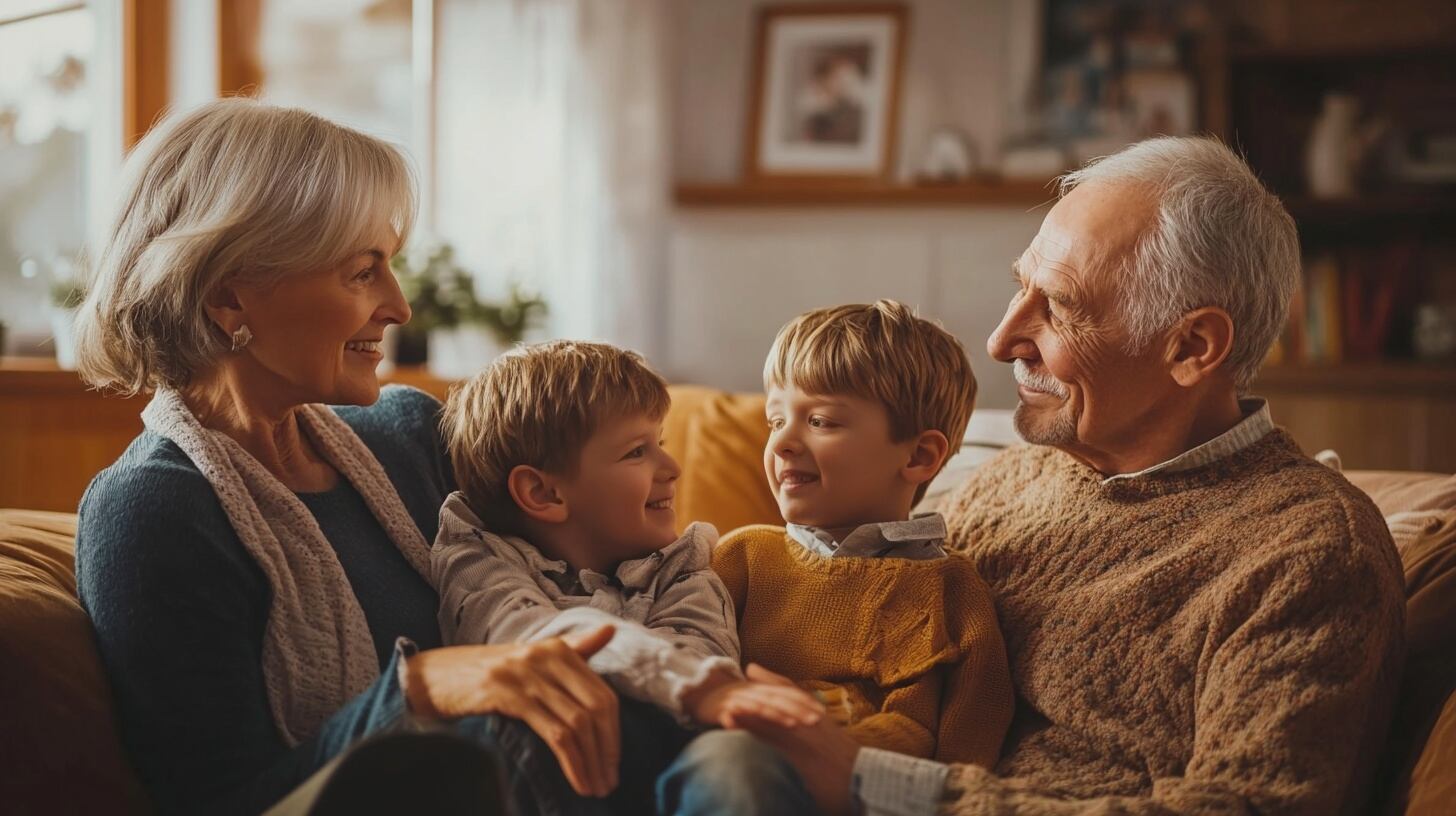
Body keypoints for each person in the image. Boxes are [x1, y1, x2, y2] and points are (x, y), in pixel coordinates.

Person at [729, 137, 1405, 816]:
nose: (1001, 341)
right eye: (1020, 287)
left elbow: (1247, 807)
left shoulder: (1309, 553)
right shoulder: (1006, 483)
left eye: (1058, 307)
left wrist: (873, 781)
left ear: (1192, 347)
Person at [72, 98, 621, 815]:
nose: (399, 305)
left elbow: (590, 568)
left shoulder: (410, 434)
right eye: (363, 272)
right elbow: (222, 801)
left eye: (389, 267)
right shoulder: (152, 514)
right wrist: (420, 689)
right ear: (228, 296)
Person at [432, 339, 825, 813]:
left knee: (738, 758)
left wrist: (704, 687)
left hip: (670, 758)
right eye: (638, 451)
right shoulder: (478, 555)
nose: (673, 468)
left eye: (660, 443)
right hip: (552, 763)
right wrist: (700, 686)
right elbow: (532, 642)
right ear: (542, 491)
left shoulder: (684, 566)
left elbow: (699, 657)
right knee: (489, 740)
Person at [661, 301, 1013, 802]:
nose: (782, 442)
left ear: (918, 456)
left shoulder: (951, 588)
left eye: (821, 421)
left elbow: (967, 757)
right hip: (724, 764)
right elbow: (676, 660)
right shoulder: (741, 556)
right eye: (774, 420)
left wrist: (838, 749)